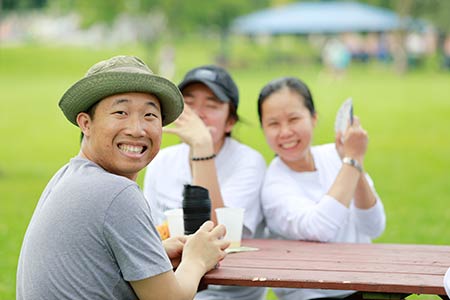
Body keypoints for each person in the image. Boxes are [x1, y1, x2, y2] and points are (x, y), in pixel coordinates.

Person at [16, 55, 230, 300]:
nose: (137, 129)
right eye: (120, 112)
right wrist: (196, 260)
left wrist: (155, 253)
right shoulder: (116, 192)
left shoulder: (67, 176)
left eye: (150, 115)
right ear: (86, 123)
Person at [143, 65, 267, 300]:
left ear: (230, 121)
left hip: (227, 294)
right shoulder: (161, 161)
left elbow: (219, 238)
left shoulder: (248, 162)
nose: (198, 114)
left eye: (211, 105)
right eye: (189, 103)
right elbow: (151, 236)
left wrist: (202, 148)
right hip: (171, 288)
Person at [257, 77, 386, 300]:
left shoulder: (336, 156)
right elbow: (320, 228)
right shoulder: (274, 184)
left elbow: (374, 226)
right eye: (273, 123)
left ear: (314, 118)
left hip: (362, 288)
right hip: (310, 295)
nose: (285, 132)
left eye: (294, 119)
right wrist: (353, 160)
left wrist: (354, 166)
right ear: (263, 129)